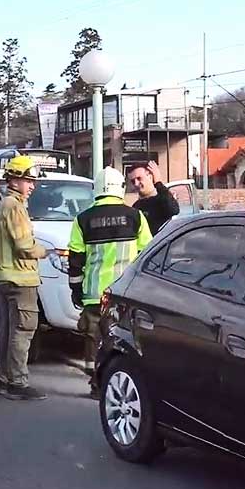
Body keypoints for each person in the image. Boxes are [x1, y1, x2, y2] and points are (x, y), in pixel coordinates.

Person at [69, 167, 152, 398]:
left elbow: (76, 259)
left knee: (93, 338)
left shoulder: (82, 219)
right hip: (124, 293)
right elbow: (147, 252)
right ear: (120, 188)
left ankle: (95, 383)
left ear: (96, 189)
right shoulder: (135, 216)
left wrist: (76, 289)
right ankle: (115, 382)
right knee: (120, 339)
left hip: (94, 293)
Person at [0, 156, 48, 401]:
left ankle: (4, 380)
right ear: (14, 179)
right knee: (23, 331)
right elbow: (25, 245)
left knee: (9, 329)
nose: (32, 186)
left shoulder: (3, 205)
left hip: (5, 278)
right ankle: (17, 382)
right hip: (20, 279)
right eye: (28, 180)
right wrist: (44, 251)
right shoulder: (15, 207)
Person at [128, 161, 180, 232]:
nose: (136, 184)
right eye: (133, 181)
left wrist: (158, 182)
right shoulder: (136, 206)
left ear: (150, 176)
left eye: (139, 178)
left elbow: (173, 210)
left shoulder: (161, 199)